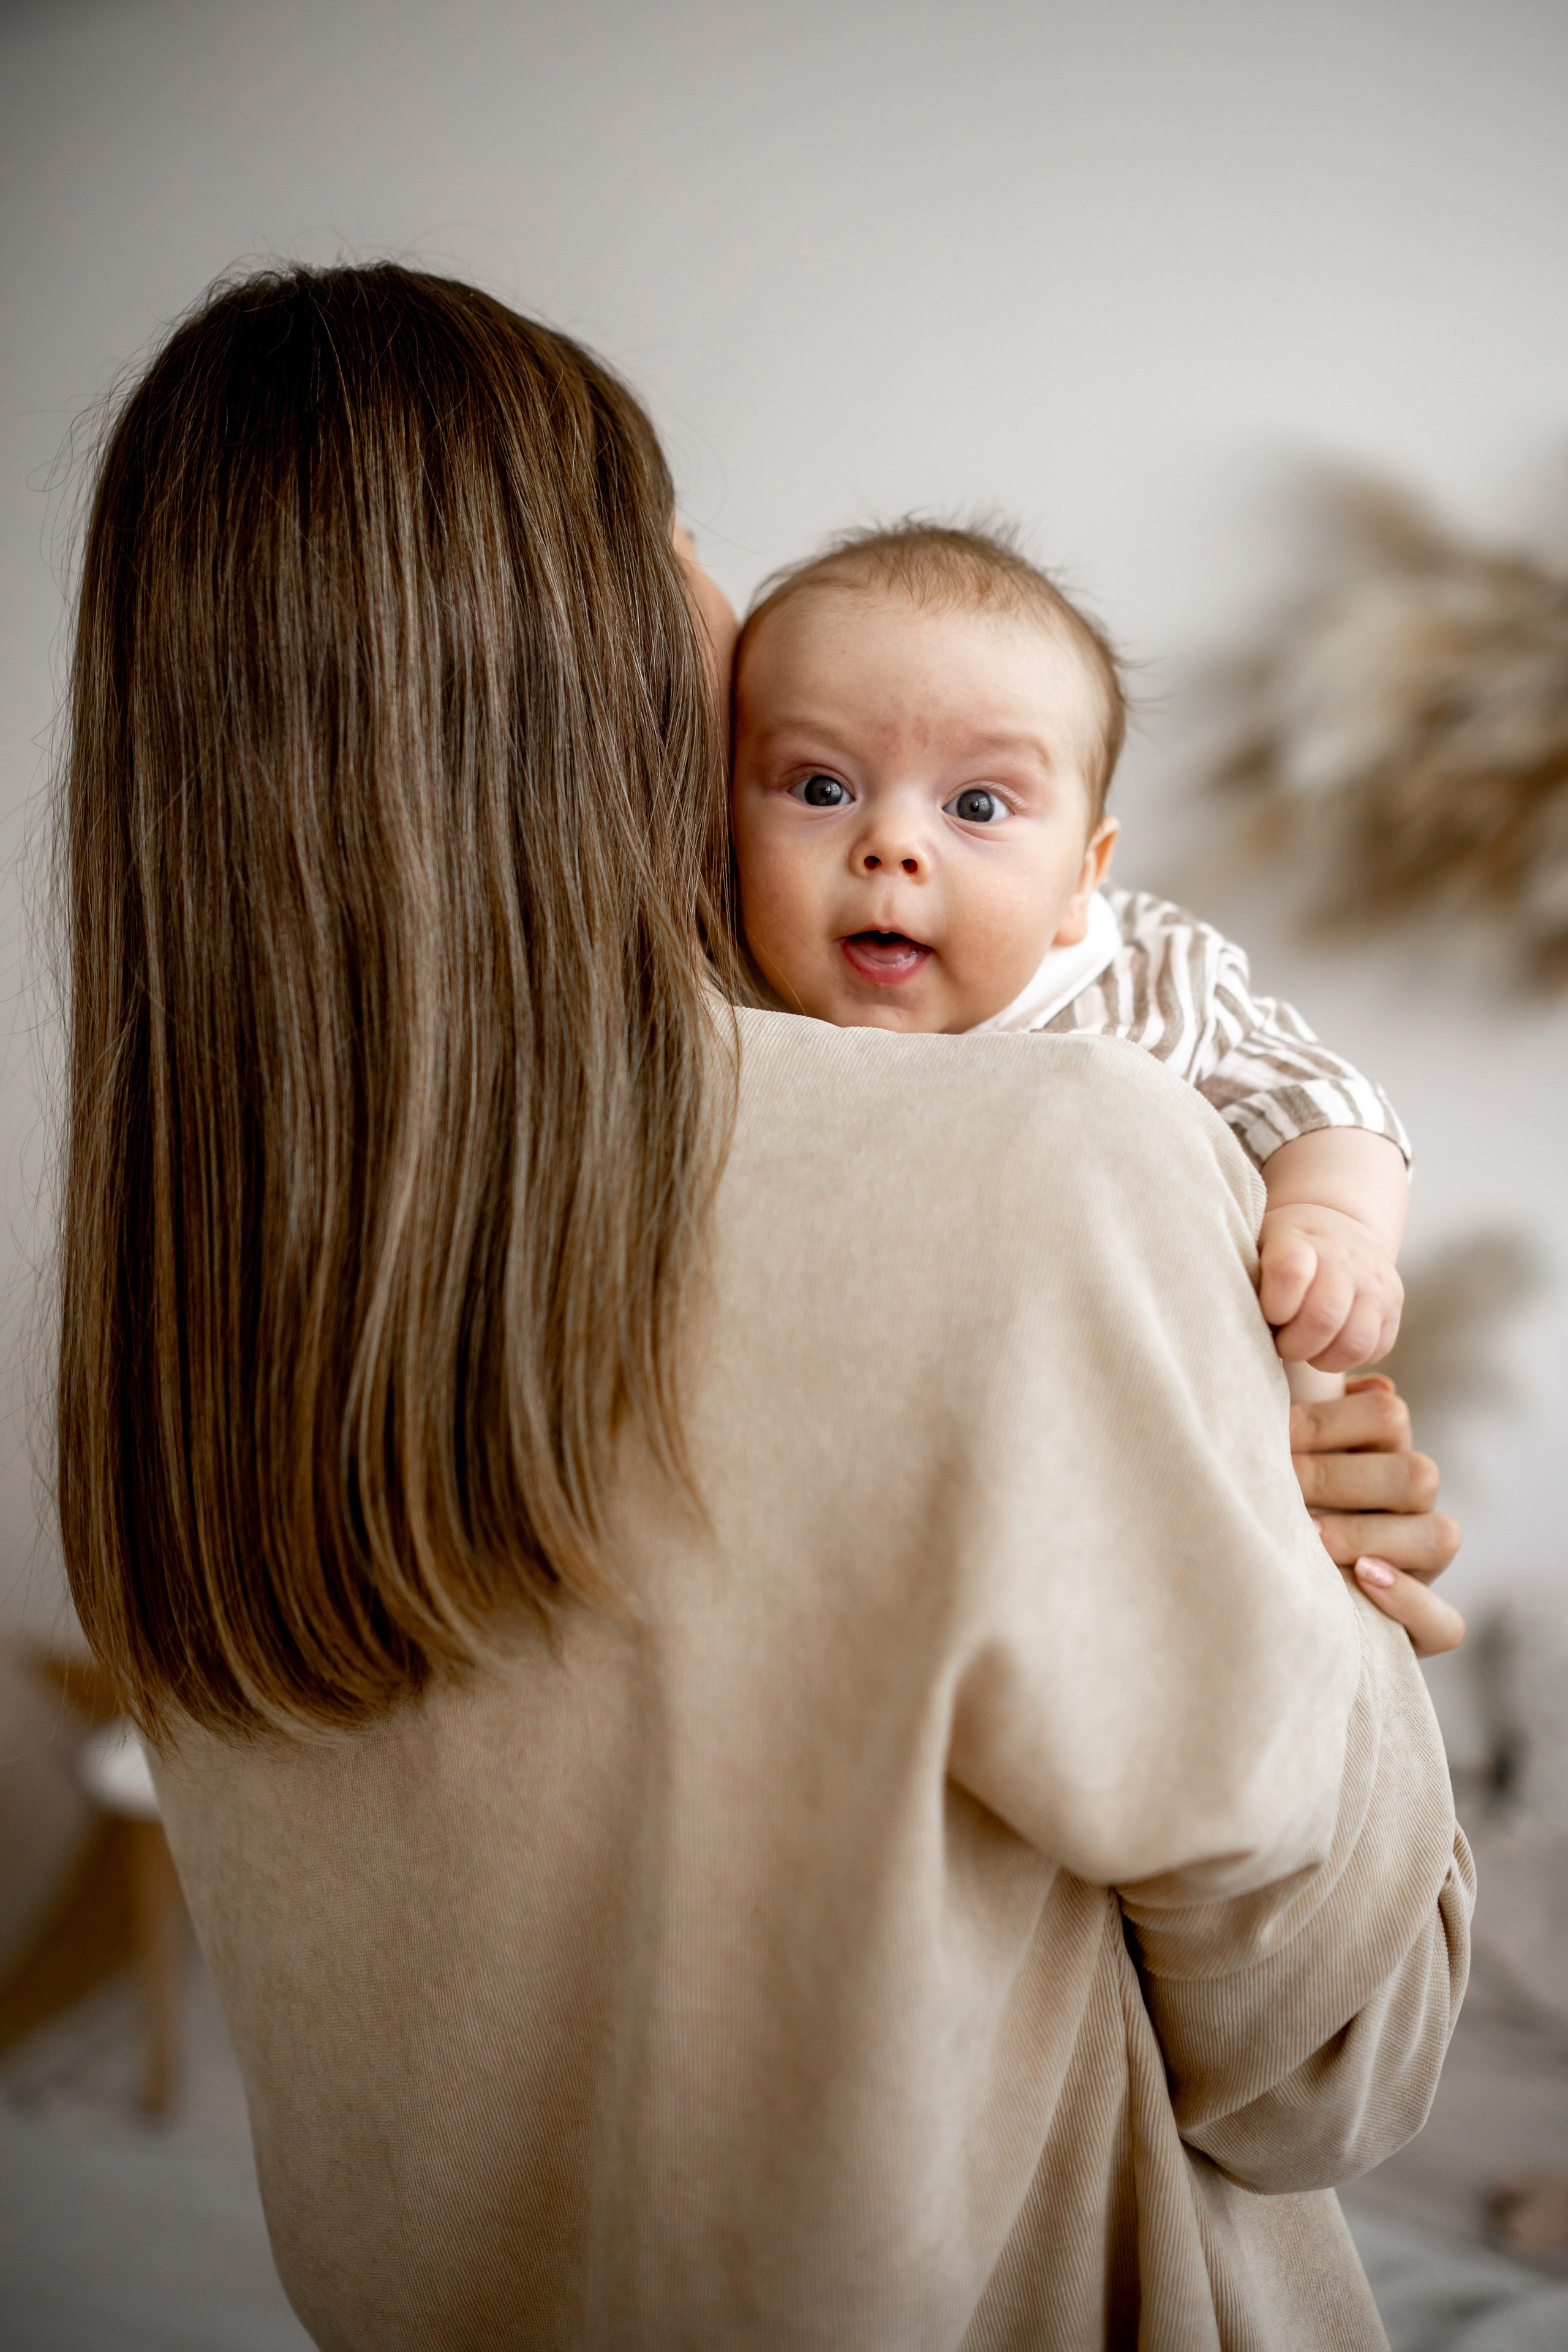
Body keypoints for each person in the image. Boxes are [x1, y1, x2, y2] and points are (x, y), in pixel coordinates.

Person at [58, 262, 1469, 2350]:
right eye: (669, 528)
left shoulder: (160, 1329)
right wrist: (1310, 1563)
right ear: (604, 641)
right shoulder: (1049, 1161)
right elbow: (1338, 2061)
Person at [729, 521, 1409, 1383]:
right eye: (821, 788)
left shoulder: (1152, 984)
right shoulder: (726, 980)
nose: (893, 844)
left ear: (1082, 878)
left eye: (976, 806)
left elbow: (1320, 1099)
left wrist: (1333, 1222)